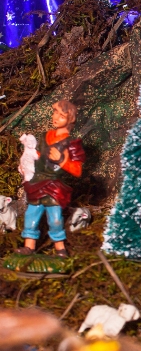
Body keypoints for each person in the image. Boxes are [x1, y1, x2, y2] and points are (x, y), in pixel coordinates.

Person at [19, 100, 85, 257]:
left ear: (70, 120)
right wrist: (27, 164)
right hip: (36, 183)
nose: (56, 117)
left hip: (54, 187)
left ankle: (60, 249)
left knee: (55, 218)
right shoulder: (44, 137)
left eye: (62, 115)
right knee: (31, 215)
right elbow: (40, 159)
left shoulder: (72, 144)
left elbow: (77, 170)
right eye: (55, 112)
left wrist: (61, 160)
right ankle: (29, 247)